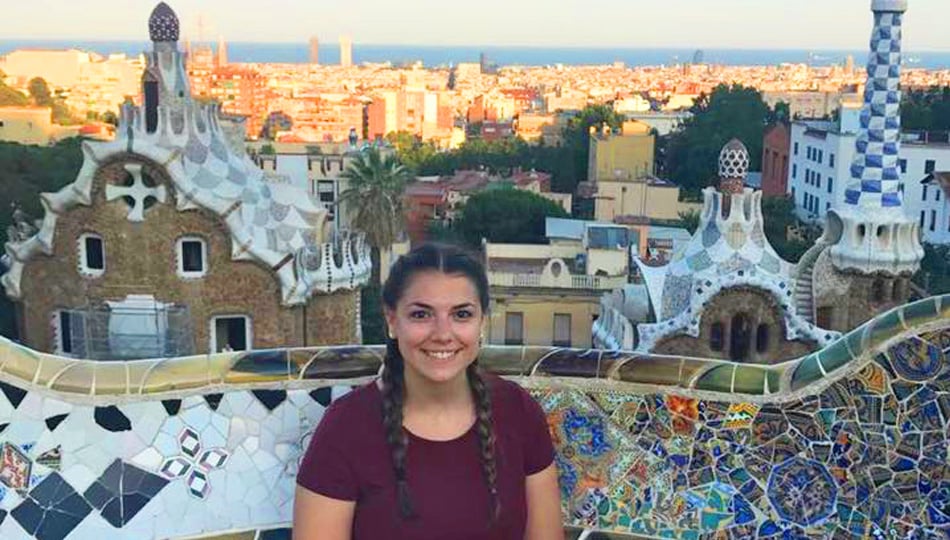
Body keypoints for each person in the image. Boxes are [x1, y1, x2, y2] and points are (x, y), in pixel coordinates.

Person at [294, 243, 562, 539]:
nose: (443, 335)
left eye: (461, 315)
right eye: (421, 315)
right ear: (392, 320)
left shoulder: (518, 412)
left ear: (482, 322)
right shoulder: (345, 428)